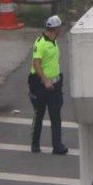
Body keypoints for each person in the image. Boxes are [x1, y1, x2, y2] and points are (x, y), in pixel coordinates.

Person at [30, 15, 68, 155]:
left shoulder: (54, 41)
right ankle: (35, 144)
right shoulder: (40, 43)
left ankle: (57, 146)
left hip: (55, 84)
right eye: (60, 27)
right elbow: (36, 63)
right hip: (40, 85)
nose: (62, 29)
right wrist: (45, 80)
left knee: (55, 115)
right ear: (55, 29)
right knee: (38, 114)